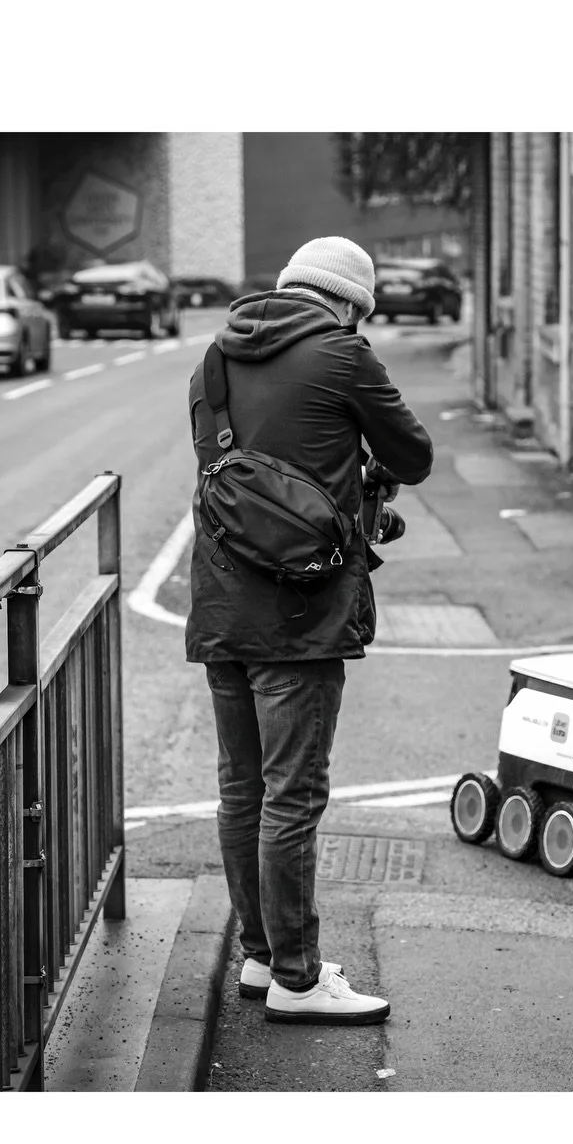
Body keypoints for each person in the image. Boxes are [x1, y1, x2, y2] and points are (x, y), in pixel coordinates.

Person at [185, 236, 433, 1025]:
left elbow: (255, 481)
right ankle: (297, 977)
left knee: (243, 792)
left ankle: (262, 958)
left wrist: (348, 487)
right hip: (301, 614)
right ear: (351, 303)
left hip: (223, 606)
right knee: (294, 798)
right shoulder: (342, 355)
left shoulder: (212, 362)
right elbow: (415, 455)